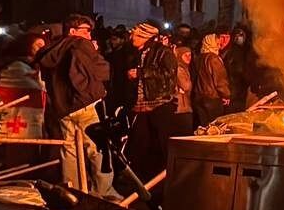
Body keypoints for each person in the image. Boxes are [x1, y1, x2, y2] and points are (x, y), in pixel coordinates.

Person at [35, 14, 114, 196]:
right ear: (73, 31)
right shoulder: (80, 44)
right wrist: (95, 53)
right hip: (86, 104)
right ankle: (103, 192)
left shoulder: (51, 50)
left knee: (70, 150)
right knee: (97, 148)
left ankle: (73, 191)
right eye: (86, 31)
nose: (89, 35)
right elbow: (100, 71)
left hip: (64, 109)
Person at [124, 22, 179, 181]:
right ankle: (144, 179)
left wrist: (141, 72)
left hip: (159, 105)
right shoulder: (134, 53)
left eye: (134, 35)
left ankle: (163, 179)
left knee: (160, 144)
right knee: (141, 145)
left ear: (144, 37)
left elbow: (169, 76)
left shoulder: (163, 52)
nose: (131, 37)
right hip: (140, 106)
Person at [194, 31, 231, 126]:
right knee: (214, 127)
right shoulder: (213, 58)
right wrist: (226, 95)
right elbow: (220, 79)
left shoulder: (199, 58)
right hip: (212, 98)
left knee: (203, 126)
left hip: (199, 97)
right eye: (217, 41)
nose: (219, 43)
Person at [174, 46, 195, 133]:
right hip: (181, 107)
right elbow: (186, 85)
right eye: (185, 55)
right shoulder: (179, 68)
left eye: (189, 55)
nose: (188, 57)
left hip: (184, 105)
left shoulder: (186, 68)